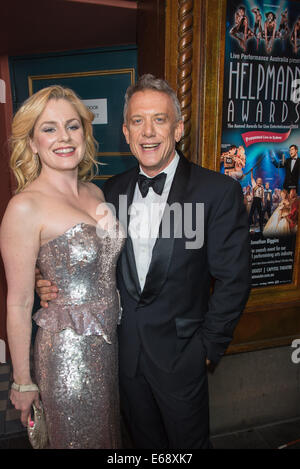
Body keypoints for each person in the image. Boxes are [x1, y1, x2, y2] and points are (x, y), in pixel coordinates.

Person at [36, 74, 251, 449]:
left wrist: (205, 349)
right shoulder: (111, 191)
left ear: (179, 128)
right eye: (137, 121)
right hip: (123, 357)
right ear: (125, 130)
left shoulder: (217, 192)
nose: (148, 132)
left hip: (183, 357)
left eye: (160, 119)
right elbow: (92, 260)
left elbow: (234, 279)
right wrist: (50, 281)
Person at [0, 86, 124, 449]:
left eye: (72, 126)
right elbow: (19, 303)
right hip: (65, 356)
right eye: (49, 128)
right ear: (33, 142)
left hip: (107, 348)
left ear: (85, 134)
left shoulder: (96, 193)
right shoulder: (24, 208)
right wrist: (23, 381)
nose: (64, 137)